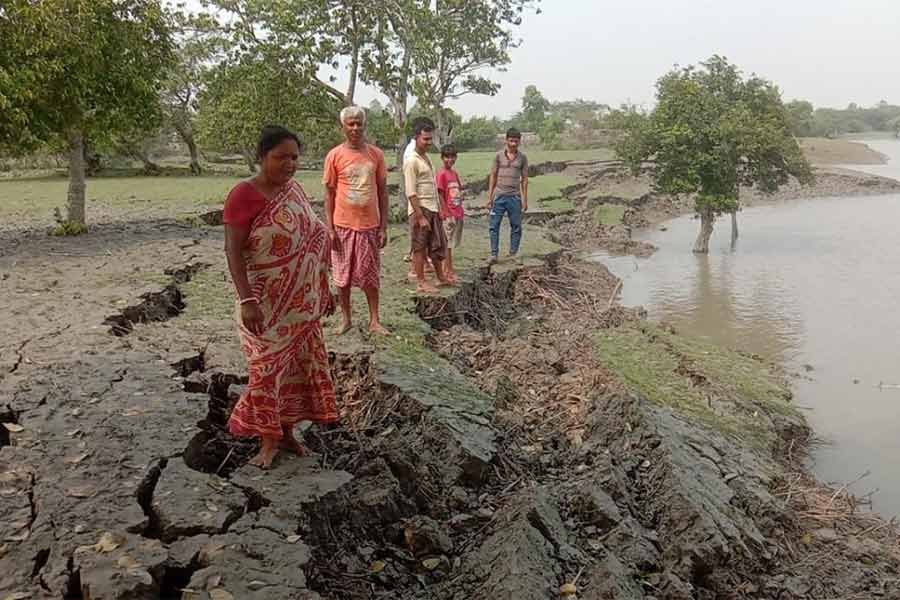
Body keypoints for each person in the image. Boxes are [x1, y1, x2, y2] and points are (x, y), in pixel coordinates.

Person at [223, 125, 338, 469]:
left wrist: (324, 287)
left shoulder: (295, 191)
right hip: (264, 305)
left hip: (301, 305)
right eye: (280, 157)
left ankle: (287, 433)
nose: (289, 164)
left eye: (294, 157)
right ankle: (267, 441)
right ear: (261, 157)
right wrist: (247, 301)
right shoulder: (244, 195)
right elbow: (233, 251)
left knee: (297, 371)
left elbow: (313, 241)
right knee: (266, 371)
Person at [323, 106, 390, 335]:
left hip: (369, 226)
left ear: (364, 125)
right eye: (350, 124)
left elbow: (382, 192)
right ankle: (346, 319)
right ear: (343, 127)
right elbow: (329, 194)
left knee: (370, 275)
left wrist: (383, 227)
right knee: (342, 277)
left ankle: (374, 320)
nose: (355, 128)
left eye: (359, 123)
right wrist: (329, 228)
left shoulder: (376, 155)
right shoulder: (334, 156)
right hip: (342, 226)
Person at [404, 118, 451, 293]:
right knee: (419, 246)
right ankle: (421, 282)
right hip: (420, 208)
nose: (429, 142)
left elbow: (431, 185)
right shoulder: (411, 161)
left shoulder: (427, 158)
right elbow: (411, 192)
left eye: (430, 139)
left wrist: (438, 209)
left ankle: (440, 277)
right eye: (426, 139)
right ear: (416, 137)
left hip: (432, 207)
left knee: (436, 244)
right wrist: (420, 216)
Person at [487, 128, 529, 263]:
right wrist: (490, 197)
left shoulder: (523, 158)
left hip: (514, 197)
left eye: (516, 141)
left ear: (519, 142)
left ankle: (513, 253)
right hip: (499, 196)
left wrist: (524, 200)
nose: (513, 144)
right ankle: (494, 254)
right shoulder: (498, 156)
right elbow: (493, 176)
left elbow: (525, 179)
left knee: (516, 226)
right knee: (494, 226)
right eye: (511, 141)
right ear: (506, 140)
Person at [436, 144, 464, 283]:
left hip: (457, 211)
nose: (450, 159)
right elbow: (440, 193)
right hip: (448, 213)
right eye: (447, 157)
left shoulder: (454, 173)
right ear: (442, 158)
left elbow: (457, 190)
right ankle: (447, 271)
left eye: (452, 157)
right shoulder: (441, 174)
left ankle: (448, 269)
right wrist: (444, 210)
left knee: (452, 242)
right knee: (447, 243)